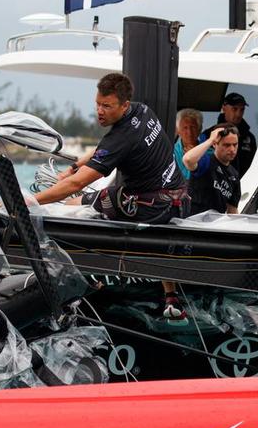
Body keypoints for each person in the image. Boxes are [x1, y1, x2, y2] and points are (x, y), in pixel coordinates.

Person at [34, 72, 189, 319]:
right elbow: (103, 150)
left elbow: (78, 183)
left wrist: (34, 200)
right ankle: (170, 295)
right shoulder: (143, 111)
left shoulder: (122, 137)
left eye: (107, 106)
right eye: (97, 104)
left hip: (150, 207)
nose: (100, 111)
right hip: (179, 199)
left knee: (80, 201)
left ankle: (81, 276)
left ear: (124, 105)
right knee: (106, 195)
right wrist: (73, 167)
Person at [183, 124, 241, 215]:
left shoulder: (234, 175)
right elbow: (187, 159)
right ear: (215, 144)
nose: (232, 149)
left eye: (235, 145)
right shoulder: (206, 161)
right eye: (227, 145)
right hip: (194, 222)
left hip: (215, 226)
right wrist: (210, 140)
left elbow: (232, 211)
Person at [200, 93, 257, 178]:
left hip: (245, 185)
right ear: (224, 108)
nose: (238, 114)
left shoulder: (249, 138)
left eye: (242, 110)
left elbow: (255, 165)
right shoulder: (209, 135)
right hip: (216, 185)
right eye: (234, 109)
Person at [173, 108, 203, 180]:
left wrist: (198, 158)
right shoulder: (171, 152)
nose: (189, 132)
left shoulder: (210, 153)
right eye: (185, 128)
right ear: (178, 131)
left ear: (199, 129)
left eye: (193, 127)